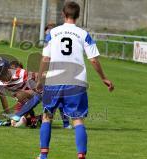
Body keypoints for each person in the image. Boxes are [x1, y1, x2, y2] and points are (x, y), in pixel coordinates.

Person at [36, 1, 114, 159]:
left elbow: (45, 57)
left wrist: (39, 79)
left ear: (63, 14)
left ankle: (43, 156)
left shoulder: (52, 32)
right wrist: (104, 78)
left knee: (47, 117)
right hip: (76, 82)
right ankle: (81, 156)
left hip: (53, 81)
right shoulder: (84, 34)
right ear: (78, 16)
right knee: (78, 120)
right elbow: (93, 60)